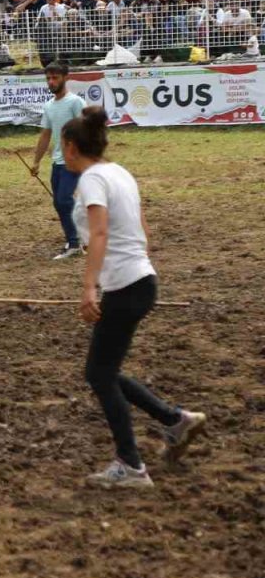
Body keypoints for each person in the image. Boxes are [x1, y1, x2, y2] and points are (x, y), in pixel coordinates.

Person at [62, 107, 207, 488]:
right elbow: (142, 227)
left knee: (98, 373)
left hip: (126, 285)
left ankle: (131, 464)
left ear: (72, 146)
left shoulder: (93, 179)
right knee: (105, 371)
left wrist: (89, 286)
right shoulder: (119, 172)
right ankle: (175, 421)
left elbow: (99, 234)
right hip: (141, 280)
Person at [30, 61, 86, 259]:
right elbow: (46, 134)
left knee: (63, 200)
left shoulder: (75, 103)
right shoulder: (49, 106)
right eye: (48, 79)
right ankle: (77, 238)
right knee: (60, 202)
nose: (51, 82)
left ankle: (74, 243)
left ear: (65, 78)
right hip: (58, 163)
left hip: (74, 162)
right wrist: (36, 161)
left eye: (55, 78)